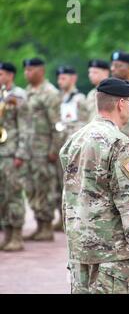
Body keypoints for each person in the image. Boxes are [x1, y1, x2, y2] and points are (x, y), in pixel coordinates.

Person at [59, 77, 129, 294]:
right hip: (111, 252)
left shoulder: (74, 139)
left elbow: (68, 195)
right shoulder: (119, 142)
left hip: (79, 248)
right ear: (121, 103)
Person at [23, 57, 61, 241]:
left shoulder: (50, 93)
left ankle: (46, 226)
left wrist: (54, 149)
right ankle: (39, 224)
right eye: (26, 70)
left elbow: (57, 124)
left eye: (31, 70)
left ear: (41, 71)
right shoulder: (28, 92)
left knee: (45, 188)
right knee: (31, 188)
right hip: (29, 150)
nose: (27, 73)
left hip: (44, 150)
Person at [54, 65, 87, 231]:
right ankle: (62, 218)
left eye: (64, 78)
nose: (60, 81)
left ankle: (76, 218)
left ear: (73, 78)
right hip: (61, 146)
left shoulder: (79, 98)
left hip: (74, 149)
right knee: (60, 185)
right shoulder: (60, 98)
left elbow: (85, 123)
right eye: (59, 78)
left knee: (74, 184)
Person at [0, 62, 29, 251]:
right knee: (2, 195)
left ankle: (17, 235)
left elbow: (25, 127)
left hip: (12, 153)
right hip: (1, 152)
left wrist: (21, 153)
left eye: (1, 74)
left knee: (14, 195)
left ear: (10, 75)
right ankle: (7, 233)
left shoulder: (18, 96)